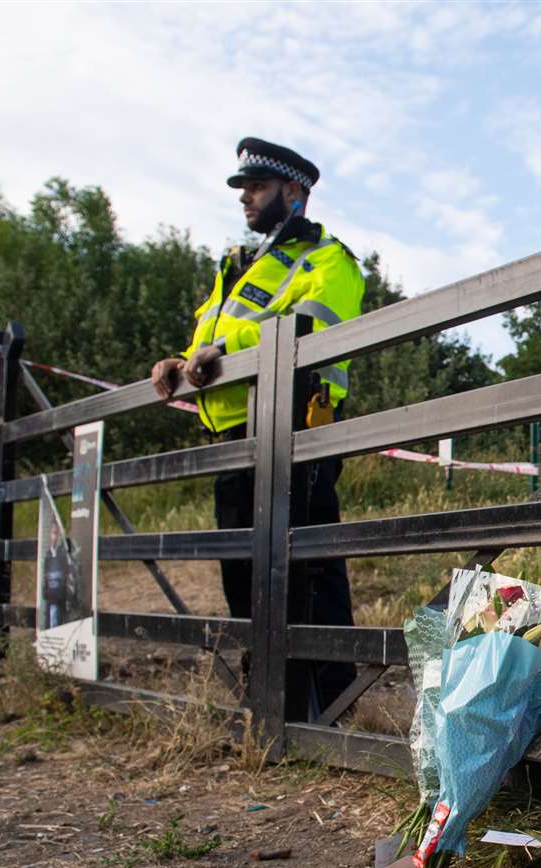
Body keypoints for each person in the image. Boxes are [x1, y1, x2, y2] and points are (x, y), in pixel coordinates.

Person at [150, 137, 363, 720]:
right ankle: (270, 700)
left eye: (258, 187)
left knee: (308, 567)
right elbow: (206, 347)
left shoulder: (327, 258)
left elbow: (312, 326)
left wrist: (225, 347)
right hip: (232, 433)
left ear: (295, 193)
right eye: (243, 188)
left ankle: (327, 707)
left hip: (297, 426)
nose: (245, 197)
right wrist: (179, 363)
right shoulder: (242, 267)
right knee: (243, 571)